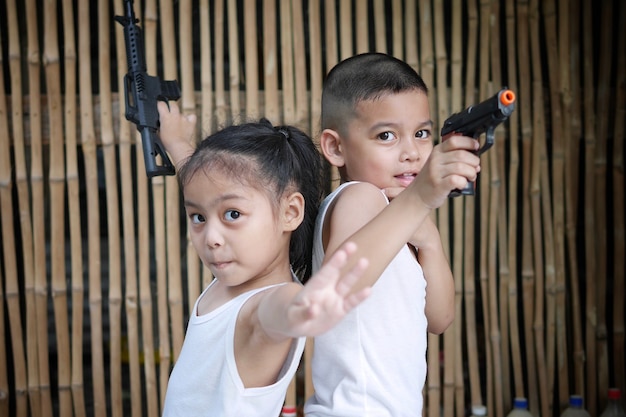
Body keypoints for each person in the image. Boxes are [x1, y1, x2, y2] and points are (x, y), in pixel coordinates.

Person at [156, 107, 372, 417]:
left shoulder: (266, 301)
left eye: (233, 215)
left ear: (290, 212)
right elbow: (201, 184)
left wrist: (304, 308)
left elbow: (279, 312)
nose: (211, 237)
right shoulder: (238, 273)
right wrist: (176, 141)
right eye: (198, 217)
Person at [302, 52, 481, 416]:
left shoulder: (399, 218)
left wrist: (430, 241)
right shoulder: (359, 196)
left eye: (421, 133)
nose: (412, 153)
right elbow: (340, 286)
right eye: (386, 135)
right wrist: (416, 201)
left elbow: (439, 319)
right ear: (336, 147)